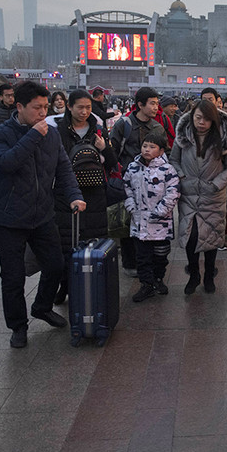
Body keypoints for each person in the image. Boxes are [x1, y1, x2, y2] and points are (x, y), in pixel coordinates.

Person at [0, 81, 85, 348]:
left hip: (42, 214)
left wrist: (75, 195)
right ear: (19, 107)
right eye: (36, 108)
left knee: (55, 265)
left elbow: (64, 168)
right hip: (9, 218)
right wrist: (32, 135)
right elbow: (7, 163)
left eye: (46, 107)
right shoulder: (0, 134)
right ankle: (18, 326)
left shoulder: (50, 135)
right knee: (13, 276)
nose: (43, 113)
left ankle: (42, 306)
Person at [51, 90, 118, 305]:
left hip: (95, 194)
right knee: (66, 244)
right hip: (65, 194)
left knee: (93, 241)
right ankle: (66, 285)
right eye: (80, 107)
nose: (84, 111)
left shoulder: (98, 129)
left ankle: (90, 286)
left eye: (88, 107)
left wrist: (104, 148)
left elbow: (112, 164)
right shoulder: (58, 130)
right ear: (69, 106)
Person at [170, 99, 227, 294]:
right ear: (192, 117)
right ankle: (194, 275)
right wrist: (182, 176)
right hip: (189, 194)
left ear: (213, 121)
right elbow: (173, 160)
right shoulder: (183, 136)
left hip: (213, 196)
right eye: (198, 118)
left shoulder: (223, 138)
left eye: (206, 119)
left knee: (212, 238)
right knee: (190, 237)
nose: (201, 122)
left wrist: (216, 184)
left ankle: (209, 275)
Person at [111, 86, 171, 275]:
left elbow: (165, 153)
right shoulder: (124, 124)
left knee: (153, 223)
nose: (156, 107)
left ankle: (150, 263)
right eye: (152, 103)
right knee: (129, 223)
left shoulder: (157, 127)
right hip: (130, 181)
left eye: (157, 103)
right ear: (140, 105)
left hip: (154, 184)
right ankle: (130, 263)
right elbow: (113, 152)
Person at [124, 132, 180, 301]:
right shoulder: (133, 167)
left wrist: (161, 211)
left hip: (159, 223)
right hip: (139, 222)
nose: (147, 150)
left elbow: (173, 192)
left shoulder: (167, 170)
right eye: (145, 146)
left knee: (160, 255)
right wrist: (131, 205)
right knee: (142, 256)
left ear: (161, 151)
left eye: (152, 147)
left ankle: (158, 279)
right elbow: (127, 186)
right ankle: (146, 284)